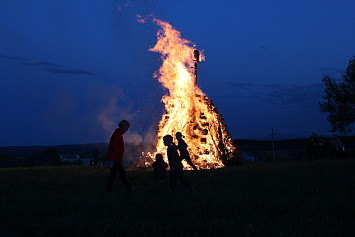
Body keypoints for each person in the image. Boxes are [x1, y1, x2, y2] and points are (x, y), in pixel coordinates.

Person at [105, 120, 136, 192]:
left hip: (114, 158)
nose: (127, 130)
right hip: (114, 158)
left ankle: (109, 189)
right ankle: (129, 188)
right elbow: (115, 146)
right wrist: (119, 155)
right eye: (127, 128)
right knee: (120, 173)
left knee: (115, 174)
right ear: (124, 126)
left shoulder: (118, 133)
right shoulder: (117, 134)